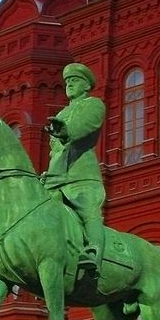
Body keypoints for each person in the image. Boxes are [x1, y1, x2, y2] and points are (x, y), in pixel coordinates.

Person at [43, 62, 107, 271]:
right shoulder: (61, 114)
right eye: (67, 81)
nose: (69, 85)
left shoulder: (93, 105)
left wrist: (66, 132)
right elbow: (55, 150)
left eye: (74, 81)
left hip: (81, 174)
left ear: (86, 85)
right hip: (55, 177)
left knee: (88, 211)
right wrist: (49, 172)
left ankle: (94, 253)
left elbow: (85, 126)